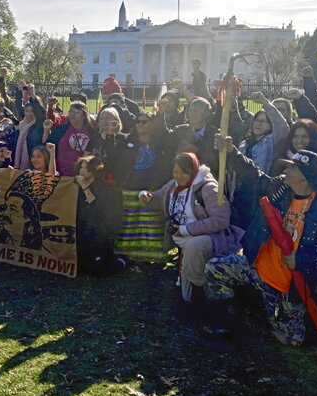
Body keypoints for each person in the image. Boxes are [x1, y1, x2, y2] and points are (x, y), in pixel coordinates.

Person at [205, 137, 317, 345]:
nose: (287, 170)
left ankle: (275, 313)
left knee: (291, 340)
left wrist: (300, 260)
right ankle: (227, 319)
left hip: (290, 287)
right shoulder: (279, 190)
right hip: (257, 268)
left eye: (293, 167)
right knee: (214, 269)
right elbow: (253, 174)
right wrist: (232, 152)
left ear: (304, 177)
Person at [140, 153, 235, 310]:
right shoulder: (173, 185)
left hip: (208, 238)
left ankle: (198, 297)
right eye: (175, 172)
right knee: (189, 254)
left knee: (193, 247)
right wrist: (145, 196)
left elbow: (221, 220)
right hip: (181, 236)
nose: (179, 176)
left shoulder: (208, 187)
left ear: (194, 170)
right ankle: (189, 299)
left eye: (184, 172)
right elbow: (158, 198)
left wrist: (184, 230)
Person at [113, 112, 171, 259]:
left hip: (151, 188)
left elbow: (164, 165)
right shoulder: (127, 141)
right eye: (138, 121)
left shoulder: (160, 143)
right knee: (129, 223)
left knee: (150, 223)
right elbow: (119, 162)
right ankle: (126, 254)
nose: (140, 124)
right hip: (130, 187)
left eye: (145, 121)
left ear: (152, 125)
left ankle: (150, 256)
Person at [74, 155, 127, 276]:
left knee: (97, 270)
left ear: (93, 169)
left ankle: (121, 261)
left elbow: (94, 204)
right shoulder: (75, 183)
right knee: (81, 267)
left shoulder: (102, 187)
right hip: (81, 230)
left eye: (86, 168)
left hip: (98, 232)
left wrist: (84, 185)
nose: (82, 170)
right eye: (80, 167)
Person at [237, 92, 289, 174]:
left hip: (262, 183)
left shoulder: (272, 140)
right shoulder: (244, 144)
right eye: (256, 120)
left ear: (270, 125)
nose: (258, 124)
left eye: (263, 121)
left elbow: (282, 126)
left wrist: (265, 103)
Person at [45, 101, 97, 177]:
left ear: (83, 115)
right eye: (71, 111)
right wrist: (46, 130)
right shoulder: (61, 129)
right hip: (60, 175)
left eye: (76, 112)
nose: (72, 114)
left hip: (81, 177)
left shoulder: (92, 132)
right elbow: (47, 145)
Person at [11, 96, 45, 171]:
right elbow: (18, 106)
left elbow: (41, 111)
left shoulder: (39, 125)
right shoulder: (21, 126)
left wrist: (33, 95)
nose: (29, 114)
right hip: (22, 166)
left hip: (36, 163)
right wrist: (19, 92)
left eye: (32, 111)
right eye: (27, 111)